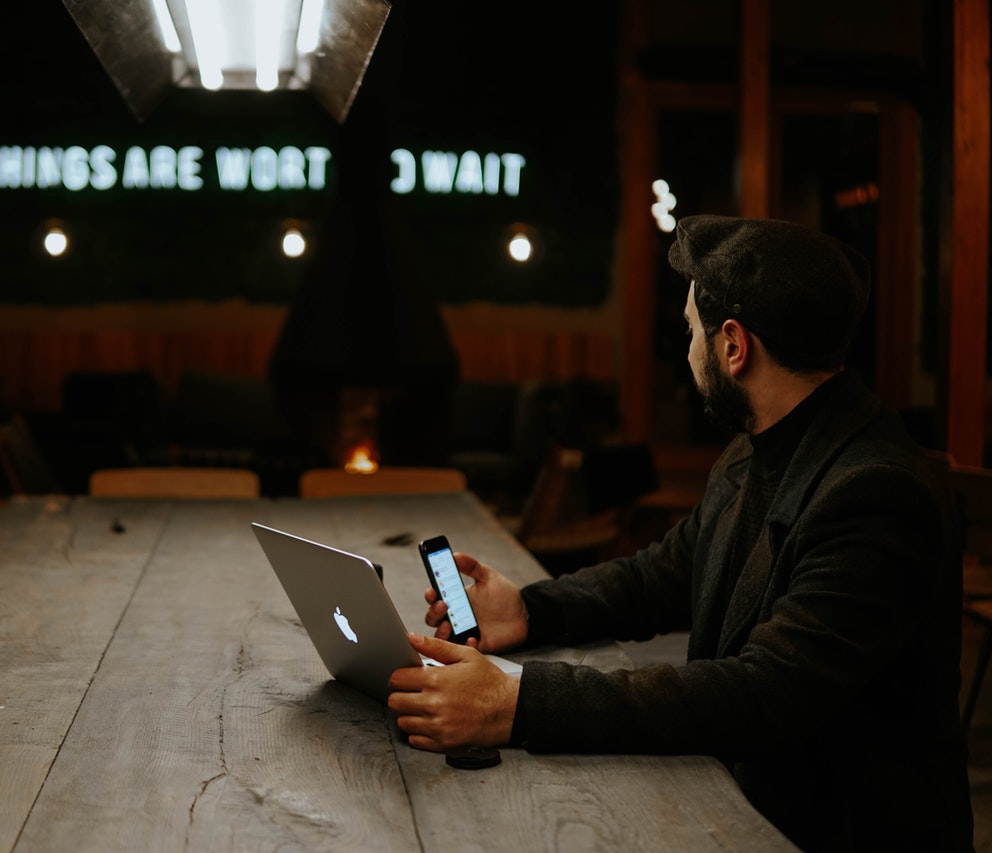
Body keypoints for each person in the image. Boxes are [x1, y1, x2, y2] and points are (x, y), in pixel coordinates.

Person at [387, 214, 973, 852]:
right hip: (747, 804)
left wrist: (519, 703)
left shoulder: (876, 492)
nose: (687, 349)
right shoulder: (763, 446)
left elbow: (765, 693)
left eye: (691, 331)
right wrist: (531, 608)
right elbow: (664, 573)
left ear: (733, 346)